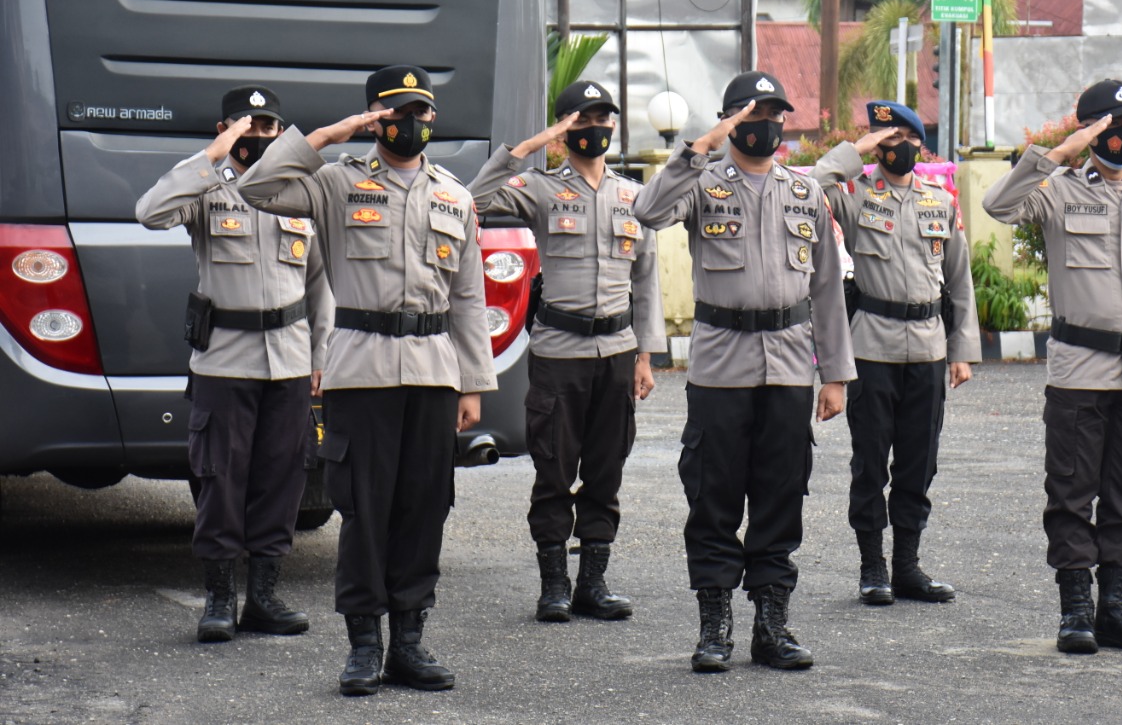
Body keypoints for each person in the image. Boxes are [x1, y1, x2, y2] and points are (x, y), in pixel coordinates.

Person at [238, 65, 496, 694]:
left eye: (420, 111)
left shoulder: (453, 195)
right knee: (363, 511)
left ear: (432, 117)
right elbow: (256, 187)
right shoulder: (334, 183)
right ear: (375, 119)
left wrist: (472, 383)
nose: (410, 122)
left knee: (423, 509)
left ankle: (409, 641)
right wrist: (329, 133)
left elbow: (467, 296)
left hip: (434, 372)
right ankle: (362, 646)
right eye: (394, 112)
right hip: (362, 372)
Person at [632, 71, 856, 673]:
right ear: (732, 119)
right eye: (755, 114)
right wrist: (700, 146)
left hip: (788, 363)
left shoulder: (806, 192)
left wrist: (834, 373)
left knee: (783, 493)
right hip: (721, 364)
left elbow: (828, 288)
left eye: (777, 114)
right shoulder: (702, 182)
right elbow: (647, 211)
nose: (768, 125)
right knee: (714, 495)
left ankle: (773, 623)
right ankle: (714, 624)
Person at [982, 79, 1122, 654]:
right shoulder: (1057, 191)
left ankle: (1117, 609)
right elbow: (997, 204)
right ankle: (1075, 610)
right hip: (1079, 369)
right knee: (1072, 492)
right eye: (1117, 124)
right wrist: (1062, 151)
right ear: (1093, 130)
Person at [135, 85, 332, 645]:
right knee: (220, 478)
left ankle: (264, 596)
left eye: (269, 127)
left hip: (290, 361)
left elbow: (320, 286)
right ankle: (220, 598)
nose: (260, 136)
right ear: (227, 130)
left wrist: (322, 357)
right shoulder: (206, 190)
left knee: (283, 477)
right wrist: (210, 158)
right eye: (248, 127)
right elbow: (150, 213)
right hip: (224, 360)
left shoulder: (300, 192)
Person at [468, 81, 664, 623]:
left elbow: (646, 281)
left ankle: (593, 583)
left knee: (606, 469)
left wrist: (646, 356)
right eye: (584, 119)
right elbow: (474, 199)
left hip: (618, 351)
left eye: (605, 118)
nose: (596, 128)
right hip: (559, 352)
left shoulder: (633, 196)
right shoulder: (539, 187)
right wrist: (534, 143)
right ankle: (553, 583)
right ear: (566, 128)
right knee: (553, 469)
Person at [812, 101, 981, 607]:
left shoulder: (939, 201)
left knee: (918, 463)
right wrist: (855, 151)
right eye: (884, 140)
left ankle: (907, 565)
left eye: (903, 138)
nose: (895, 148)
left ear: (919, 143)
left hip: (928, 347)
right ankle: (873, 568)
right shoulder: (857, 196)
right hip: (871, 348)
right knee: (870, 464)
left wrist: (961, 351)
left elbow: (960, 281)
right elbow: (810, 186)